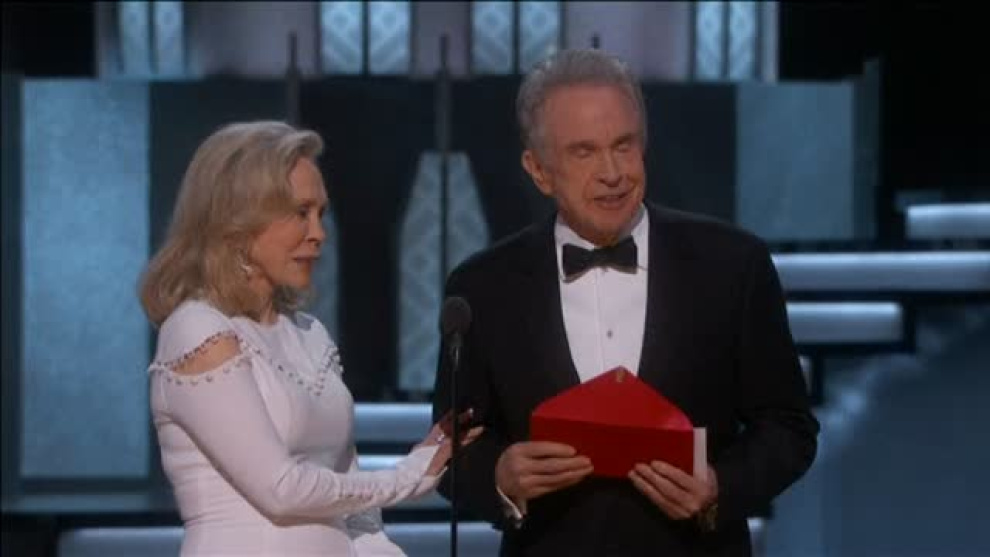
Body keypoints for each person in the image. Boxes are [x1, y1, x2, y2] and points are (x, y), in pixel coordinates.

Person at [432, 49, 819, 556]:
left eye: (624, 145)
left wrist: (719, 486)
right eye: (584, 152)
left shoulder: (733, 265)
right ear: (539, 170)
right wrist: (499, 476)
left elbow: (789, 428)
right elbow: (451, 451)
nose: (612, 172)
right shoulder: (483, 287)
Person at [140, 121, 479, 556]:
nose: (318, 233)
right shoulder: (197, 329)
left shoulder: (309, 333)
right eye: (301, 213)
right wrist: (409, 475)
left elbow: (353, 506)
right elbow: (281, 489)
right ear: (238, 220)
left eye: (321, 213)